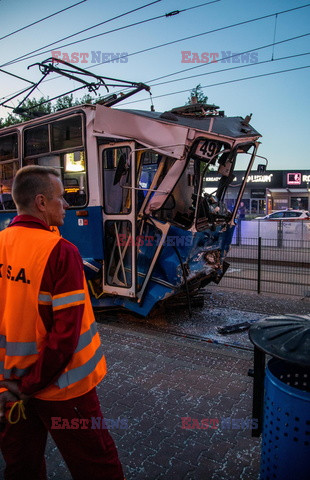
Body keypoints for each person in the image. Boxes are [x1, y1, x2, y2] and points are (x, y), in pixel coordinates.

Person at [0, 166, 124, 480]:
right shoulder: (60, 252)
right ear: (41, 203)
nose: (66, 205)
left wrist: (15, 387)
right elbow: (65, 336)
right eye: (61, 198)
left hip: (9, 387)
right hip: (63, 389)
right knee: (98, 465)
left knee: (21, 466)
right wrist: (30, 386)